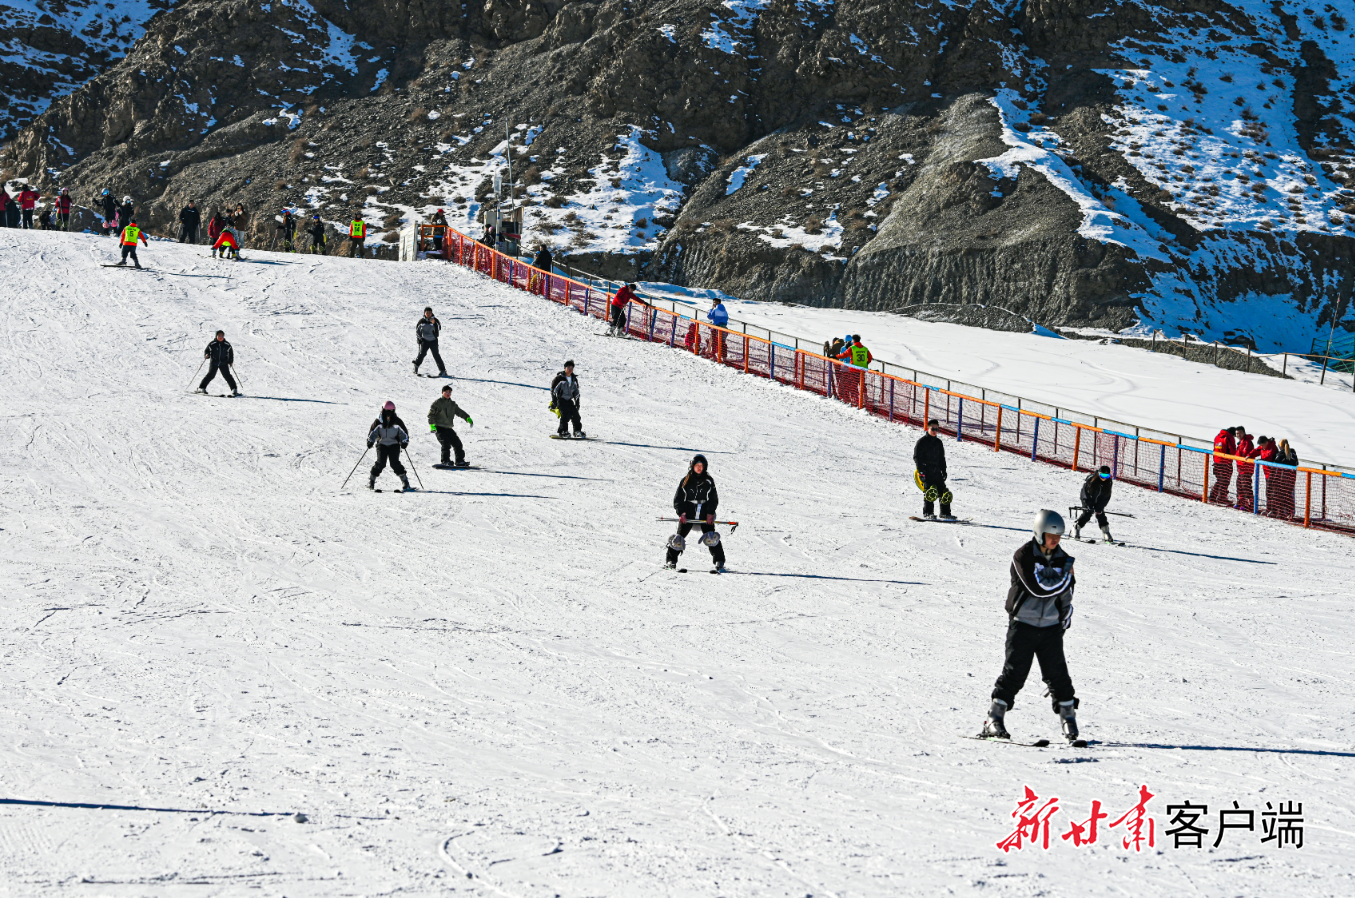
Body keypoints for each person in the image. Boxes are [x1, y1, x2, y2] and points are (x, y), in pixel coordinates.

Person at [981, 509, 1080, 743]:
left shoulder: (1063, 558)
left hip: (1050, 628)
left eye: (1059, 536)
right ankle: (994, 719)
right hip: (1022, 625)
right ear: (1038, 533)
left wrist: (1065, 615)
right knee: (1014, 673)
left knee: (1059, 677)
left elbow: (1067, 593)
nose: (1055, 540)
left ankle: (1069, 721)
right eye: (1050, 535)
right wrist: (1065, 576)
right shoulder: (1022, 556)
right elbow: (1037, 588)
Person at [664, 454, 727, 571]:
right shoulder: (686, 480)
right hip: (688, 513)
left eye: (701, 465)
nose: (699, 468)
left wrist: (710, 513)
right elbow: (678, 499)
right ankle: (670, 561)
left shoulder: (709, 481)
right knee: (678, 538)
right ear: (692, 466)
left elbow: (713, 499)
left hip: (704, 513)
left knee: (711, 538)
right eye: (697, 465)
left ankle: (720, 561)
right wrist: (681, 513)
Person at [913, 418, 954, 521]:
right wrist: (921, 471)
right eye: (933, 429)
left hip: (937, 471)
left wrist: (944, 471)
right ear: (928, 428)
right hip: (927, 471)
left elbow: (942, 458)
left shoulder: (938, 442)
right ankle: (928, 513)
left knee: (944, 492)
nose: (935, 431)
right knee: (930, 492)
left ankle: (945, 513)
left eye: (937, 429)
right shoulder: (922, 442)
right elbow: (917, 457)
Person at [367, 401, 413, 491]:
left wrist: (404, 442)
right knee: (380, 463)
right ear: (383, 410)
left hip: (394, 444)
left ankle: (405, 482)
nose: (389, 413)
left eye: (391, 411)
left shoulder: (397, 421)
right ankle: (371, 481)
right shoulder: (378, 421)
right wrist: (370, 441)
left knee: (394, 463)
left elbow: (404, 433)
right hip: (382, 444)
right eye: (387, 410)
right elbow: (373, 432)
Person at [427, 384, 473, 468]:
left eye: (449, 392)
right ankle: (445, 461)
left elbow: (459, 411)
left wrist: (467, 418)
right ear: (442, 393)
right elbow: (431, 415)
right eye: (446, 392)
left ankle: (459, 461)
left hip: (448, 428)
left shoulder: (452, 404)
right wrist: (432, 426)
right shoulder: (437, 403)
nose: (448, 394)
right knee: (445, 444)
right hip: (439, 427)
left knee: (458, 444)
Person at [1073, 466, 1114, 541]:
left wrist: (1100, 507)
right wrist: (1088, 505)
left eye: (1107, 476)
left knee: (1100, 513)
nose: (1104, 478)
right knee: (1088, 513)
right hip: (1088, 499)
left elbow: (1106, 497)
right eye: (1102, 475)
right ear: (1098, 474)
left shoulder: (1109, 482)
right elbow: (1085, 494)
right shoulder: (1091, 480)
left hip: (1099, 500)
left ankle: (1105, 531)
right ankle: (1076, 527)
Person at [196, 330, 240, 396]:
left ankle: (234, 389)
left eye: (222, 336)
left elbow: (230, 353)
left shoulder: (227, 345)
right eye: (219, 336)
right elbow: (207, 350)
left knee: (227, 376)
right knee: (211, 375)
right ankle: (201, 388)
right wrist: (207, 355)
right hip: (214, 362)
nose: (221, 337)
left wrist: (230, 361)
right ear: (216, 336)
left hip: (223, 363)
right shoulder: (212, 344)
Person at [550, 360, 584, 438]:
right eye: (568, 367)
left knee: (576, 415)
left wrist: (577, 403)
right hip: (561, 400)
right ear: (565, 368)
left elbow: (576, 392)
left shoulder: (574, 379)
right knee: (565, 415)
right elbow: (554, 391)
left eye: (572, 368)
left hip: (569, 400)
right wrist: (554, 401)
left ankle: (577, 431)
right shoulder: (559, 378)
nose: (570, 369)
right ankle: (563, 431)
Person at [413, 306, 447, 376]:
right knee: (422, 354)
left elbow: (438, 329)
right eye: (427, 312)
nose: (428, 314)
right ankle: (416, 366)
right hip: (425, 341)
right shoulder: (421, 321)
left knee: (436, 355)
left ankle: (443, 370)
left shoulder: (435, 320)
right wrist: (419, 339)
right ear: (424, 313)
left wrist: (434, 323)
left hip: (433, 341)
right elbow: (418, 331)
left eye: (430, 312)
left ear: (432, 313)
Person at [1209, 425, 1238, 504]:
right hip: (1225, 463)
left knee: (1220, 480)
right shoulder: (1229, 437)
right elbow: (1232, 451)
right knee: (1225, 481)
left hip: (1217, 462)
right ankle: (1221, 497)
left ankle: (1213, 496)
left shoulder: (1218, 436)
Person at [1235, 429, 1257, 511]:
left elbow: (1245, 453)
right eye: (1237, 433)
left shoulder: (1247, 442)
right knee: (1239, 485)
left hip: (1246, 468)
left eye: (1240, 433)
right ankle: (1241, 502)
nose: (1238, 435)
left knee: (1246, 486)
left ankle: (1250, 504)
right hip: (1241, 468)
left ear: (1244, 433)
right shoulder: (1241, 442)